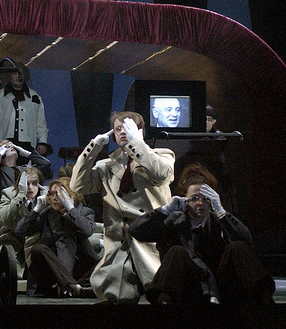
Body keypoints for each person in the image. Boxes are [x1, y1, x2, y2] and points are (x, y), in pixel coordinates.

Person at [129, 163, 275, 305]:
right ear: (185, 200)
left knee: (237, 247)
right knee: (176, 251)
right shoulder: (173, 221)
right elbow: (136, 231)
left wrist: (222, 213)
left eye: (206, 198)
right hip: (190, 289)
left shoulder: (219, 221)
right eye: (194, 198)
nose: (200, 203)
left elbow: (246, 240)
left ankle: (264, 303)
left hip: (222, 288)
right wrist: (164, 211)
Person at [70, 111, 175, 303]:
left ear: (140, 131)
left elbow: (161, 174)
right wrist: (93, 148)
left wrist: (137, 144)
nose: (123, 132)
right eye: (118, 129)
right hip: (120, 242)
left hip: (149, 240)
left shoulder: (160, 156)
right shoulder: (106, 166)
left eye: (128, 127)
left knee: (160, 295)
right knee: (117, 299)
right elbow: (78, 186)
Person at [14, 177, 97, 298]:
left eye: (58, 194)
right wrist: (36, 210)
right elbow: (20, 231)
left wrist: (70, 209)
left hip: (79, 270)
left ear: (70, 195)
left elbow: (87, 230)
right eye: (51, 194)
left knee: (108, 260)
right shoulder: (47, 213)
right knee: (38, 249)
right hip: (52, 273)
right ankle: (72, 286)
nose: (54, 198)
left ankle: (71, 285)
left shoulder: (85, 212)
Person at [0, 167, 46, 282]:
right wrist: (20, 196)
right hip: (13, 243)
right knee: (6, 272)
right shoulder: (9, 193)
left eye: (35, 183)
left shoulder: (44, 196)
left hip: (37, 244)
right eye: (27, 183)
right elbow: (3, 219)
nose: (30, 187)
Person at [0, 64, 52, 164]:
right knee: (6, 170)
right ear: (9, 75)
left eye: (21, 73)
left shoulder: (34, 96)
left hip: (27, 144)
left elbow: (41, 122)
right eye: (14, 73)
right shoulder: (0, 96)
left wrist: (43, 142)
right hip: (5, 143)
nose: (18, 76)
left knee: (26, 171)